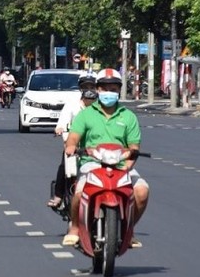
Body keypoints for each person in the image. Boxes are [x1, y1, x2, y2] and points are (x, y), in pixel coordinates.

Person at [62, 68, 149, 247]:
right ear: (98, 89)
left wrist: (128, 165)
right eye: (105, 88)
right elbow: (73, 138)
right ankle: (75, 228)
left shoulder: (128, 116)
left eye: (113, 89)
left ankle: (128, 231)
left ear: (119, 91)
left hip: (120, 165)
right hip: (92, 164)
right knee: (79, 193)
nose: (109, 92)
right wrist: (71, 146)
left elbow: (134, 147)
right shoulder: (86, 114)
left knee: (142, 191)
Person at [47, 73, 97, 207]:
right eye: (86, 87)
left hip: (94, 145)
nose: (89, 90)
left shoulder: (100, 106)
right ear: (80, 88)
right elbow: (63, 119)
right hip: (74, 143)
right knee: (65, 165)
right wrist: (60, 128)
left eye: (92, 87)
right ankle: (58, 195)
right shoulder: (72, 104)